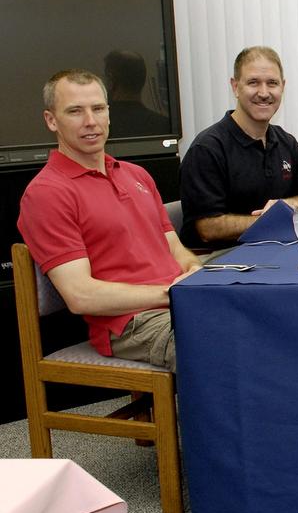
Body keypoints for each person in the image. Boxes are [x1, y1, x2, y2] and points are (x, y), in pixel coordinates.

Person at [17, 70, 201, 371]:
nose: (90, 121)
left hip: (181, 305)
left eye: (98, 108)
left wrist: (194, 271)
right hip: (132, 324)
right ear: (51, 120)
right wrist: (171, 294)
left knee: (268, 327)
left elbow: (176, 250)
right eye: (75, 111)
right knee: (224, 346)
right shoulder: (46, 193)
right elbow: (80, 295)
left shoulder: (136, 175)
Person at [179, 46, 298, 250]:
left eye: (272, 83)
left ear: (283, 87)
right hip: (221, 263)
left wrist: (292, 205)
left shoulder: (284, 141)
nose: (264, 93)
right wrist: (280, 220)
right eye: (253, 83)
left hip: (275, 251)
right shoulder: (207, 149)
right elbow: (208, 228)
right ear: (235, 86)